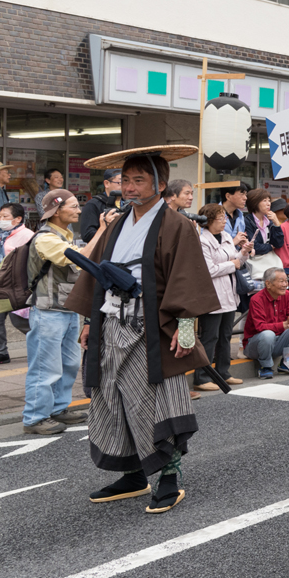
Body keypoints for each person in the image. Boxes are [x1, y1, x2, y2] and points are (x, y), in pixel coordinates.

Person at [68, 145, 220, 512]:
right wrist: (91, 320)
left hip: (154, 327)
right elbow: (97, 272)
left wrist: (186, 332)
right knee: (113, 397)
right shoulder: (118, 222)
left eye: (139, 180)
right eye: (126, 181)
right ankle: (133, 473)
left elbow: (187, 280)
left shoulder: (177, 225)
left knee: (157, 399)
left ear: (160, 184)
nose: (130, 188)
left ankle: (169, 476)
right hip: (112, 321)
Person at [22, 190, 109, 434]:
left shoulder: (66, 235)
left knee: (68, 364)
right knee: (44, 367)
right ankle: (35, 418)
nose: (79, 211)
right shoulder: (45, 239)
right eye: (73, 206)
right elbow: (82, 259)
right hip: (47, 311)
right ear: (56, 211)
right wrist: (101, 229)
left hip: (67, 310)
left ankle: (58, 409)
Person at [194, 204, 249, 392]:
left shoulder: (226, 237)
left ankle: (224, 373)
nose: (225, 220)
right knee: (210, 336)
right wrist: (232, 264)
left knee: (225, 336)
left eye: (224, 217)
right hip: (212, 294)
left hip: (229, 293)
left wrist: (244, 253)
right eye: (220, 218)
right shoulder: (202, 241)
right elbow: (208, 270)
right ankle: (202, 377)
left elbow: (238, 262)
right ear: (209, 220)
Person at [0, 203, 34, 367]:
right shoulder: (0, 235)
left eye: (5, 216)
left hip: (14, 288)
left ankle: (44, 346)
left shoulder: (27, 235)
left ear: (18, 219)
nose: (1, 219)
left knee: (19, 321)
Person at [244, 267, 289, 378]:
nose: (285, 284)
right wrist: (285, 324)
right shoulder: (256, 299)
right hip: (255, 346)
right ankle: (265, 366)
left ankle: (286, 363)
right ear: (268, 284)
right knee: (268, 334)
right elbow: (260, 327)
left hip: (277, 341)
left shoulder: (287, 295)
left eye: (286, 281)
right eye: (281, 281)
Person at [79, 170, 123, 243]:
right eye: (120, 182)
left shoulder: (130, 203)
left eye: (127, 182)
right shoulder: (93, 204)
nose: (125, 186)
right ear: (106, 183)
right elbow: (87, 235)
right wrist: (106, 227)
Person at [243, 188, 284, 256]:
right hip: (254, 260)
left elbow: (279, 243)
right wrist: (270, 247)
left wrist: (276, 223)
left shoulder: (269, 221)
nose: (268, 204)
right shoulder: (248, 221)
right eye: (264, 201)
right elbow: (254, 246)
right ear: (255, 203)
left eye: (269, 201)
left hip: (268, 259)